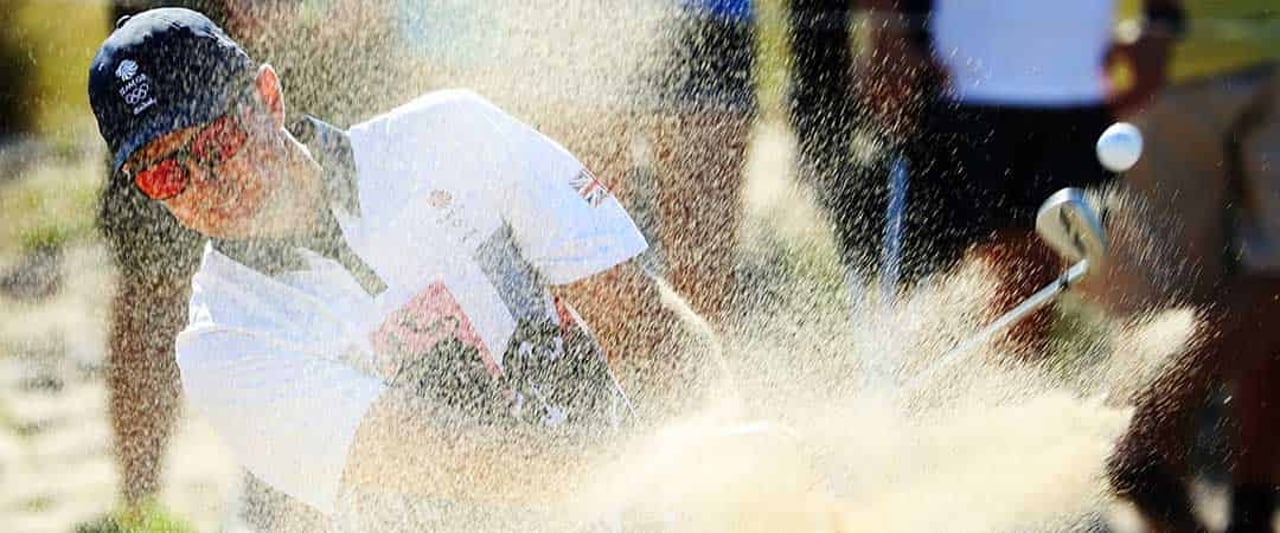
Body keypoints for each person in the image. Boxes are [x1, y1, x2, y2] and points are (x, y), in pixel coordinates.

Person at [87, 8, 714, 531]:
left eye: (217, 141)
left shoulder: (452, 132)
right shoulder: (222, 346)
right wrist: (662, 470)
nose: (205, 181)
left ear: (268, 98)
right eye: (165, 173)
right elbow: (450, 459)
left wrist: (725, 438)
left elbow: (637, 313)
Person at [859, 0, 1173, 357]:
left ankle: (997, 394)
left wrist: (1160, 20)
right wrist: (885, 30)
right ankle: (920, 395)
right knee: (933, 277)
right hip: (959, 82)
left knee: (1030, 280)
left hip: (1075, 87)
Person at [1100, 1, 1280, 531]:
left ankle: (1149, 441)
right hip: (1172, 60)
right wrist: (1157, 20)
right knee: (1163, 300)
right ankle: (1147, 447)